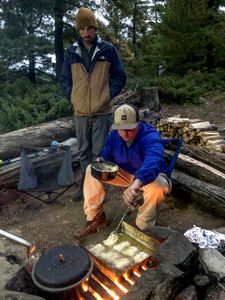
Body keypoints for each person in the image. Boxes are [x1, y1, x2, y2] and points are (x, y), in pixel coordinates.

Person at [74, 104, 172, 239]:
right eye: (121, 129)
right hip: (125, 175)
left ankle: (144, 228)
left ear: (138, 123)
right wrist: (101, 159)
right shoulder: (115, 135)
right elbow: (107, 153)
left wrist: (136, 184)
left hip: (150, 177)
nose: (125, 134)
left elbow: (154, 159)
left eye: (129, 129)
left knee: (157, 187)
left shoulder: (150, 135)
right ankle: (96, 218)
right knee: (92, 170)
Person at [60, 7, 127, 199]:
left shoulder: (108, 50)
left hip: (101, 112)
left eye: (90, 28)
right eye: (83, 29)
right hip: (80, 112)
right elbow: (64, 79)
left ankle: (98, 187)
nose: (86, 33)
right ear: (78, 30)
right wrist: (73, 97)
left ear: (95, 29)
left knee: (99, 152)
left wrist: (107, 95)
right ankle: (85, 186)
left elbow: (120, 76)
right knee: (83, 152)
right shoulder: (72, 52)